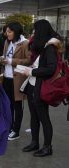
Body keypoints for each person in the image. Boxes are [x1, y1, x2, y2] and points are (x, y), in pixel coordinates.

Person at [21, 19, 62, 157]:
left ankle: (47, 147)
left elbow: (51, 69)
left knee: (44, 117)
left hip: (41, 87)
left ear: (41, 31)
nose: (33, 33)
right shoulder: (42, 46)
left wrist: (32, 71)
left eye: (35, 30)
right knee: (34, 116)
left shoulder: (50, 47)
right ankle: (34, 142)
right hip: (33, 85)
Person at [0, 22, 31, 141]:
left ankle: (16, 130)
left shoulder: (25, 43)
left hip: (17, 79)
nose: (7, 34)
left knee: (17, 105)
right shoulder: (7, 42)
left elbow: (29, 60)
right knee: (7, 104)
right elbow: (5, 56)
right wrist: (2, 60)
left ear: (16, 32)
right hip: (6, 77)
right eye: (7, 31)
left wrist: (11, 61)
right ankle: (9, 126)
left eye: (9, 31)